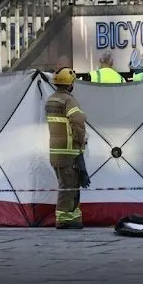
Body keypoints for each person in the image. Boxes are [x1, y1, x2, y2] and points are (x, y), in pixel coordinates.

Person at [46, 67, 88, 229]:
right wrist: (80, 141)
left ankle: (72, 217)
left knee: (67, 183)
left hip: (55, 150)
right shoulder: (68, 100)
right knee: (69, 185)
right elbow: (77, 121)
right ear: (70, 84)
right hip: (68, 150)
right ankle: (64, 219)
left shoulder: (51, 100)